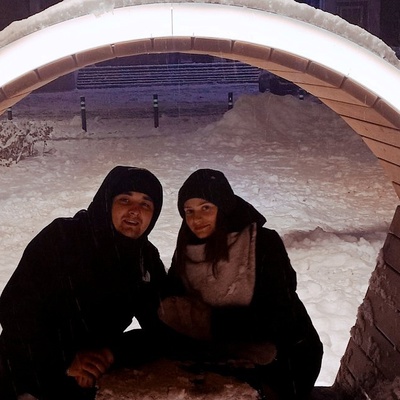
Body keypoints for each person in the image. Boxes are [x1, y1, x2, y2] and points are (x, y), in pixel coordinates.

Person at [0, 166, 167, 400]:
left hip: (86, 381)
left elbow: (161, 327)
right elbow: (15, 309)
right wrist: (65, 359)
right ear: (107, 203)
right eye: (125, 200)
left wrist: (111, 353)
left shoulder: (144, 258)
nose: (134, 211)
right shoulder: (63, 238)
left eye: (145, 204)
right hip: (25, 371)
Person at [158, 169, 323, 400]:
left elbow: (278, 316)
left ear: (223, 207)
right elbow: (174, 301)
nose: (196, 219)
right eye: (189, 211)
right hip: (222, 355)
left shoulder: (262, 243)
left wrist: (210, 322)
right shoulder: (186, 248)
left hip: (284, 358)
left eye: (206, 208)